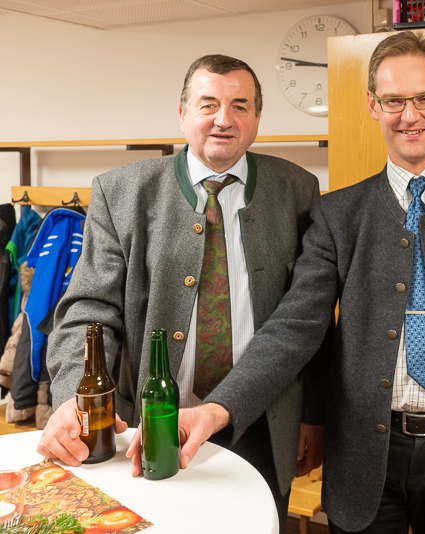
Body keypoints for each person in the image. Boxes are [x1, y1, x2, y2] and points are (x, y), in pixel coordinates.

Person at [173, 32, 425, 533]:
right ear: (373, 106)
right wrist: (218, 410)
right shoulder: (337, 213)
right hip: (364, 455)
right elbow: (296, 328)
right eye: (394, 101)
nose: (410, 115)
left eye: (423, 98)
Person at [38, 54, 328, 532]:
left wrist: (314, 415)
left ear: (257, 118)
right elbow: (88, 310)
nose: (223, 119)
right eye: (208, 104)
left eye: (240, 106)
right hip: (147, 426)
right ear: (182, 114)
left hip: (261, 420)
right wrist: (73, 395)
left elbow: (309, 321)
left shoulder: (298, 189)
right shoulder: (120, 192)